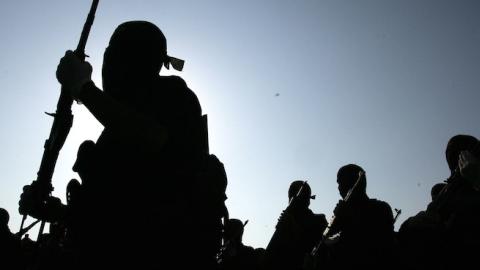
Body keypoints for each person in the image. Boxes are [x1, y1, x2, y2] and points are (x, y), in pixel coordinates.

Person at [21, 20, 218, 269]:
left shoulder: (174, 96)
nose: (106, 66)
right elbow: (112, 215)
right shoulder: (115, 129)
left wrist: (84, 89)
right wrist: (58, 212)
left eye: (114, 56)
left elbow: (152, 141)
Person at [324, 164, 394, 270]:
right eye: (338, 183)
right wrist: (334, 226)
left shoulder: (380, 208)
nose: (339, 187)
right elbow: (328, 242)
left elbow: (380, 242)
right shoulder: (340, 214)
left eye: (342, 181)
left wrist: (348, 216)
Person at [265, 181, 328, 270]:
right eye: (290, 196)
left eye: (295, 197)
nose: (291, 200)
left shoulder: (318, 220)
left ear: (308, 199)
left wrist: (292, 224)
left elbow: (314, 248)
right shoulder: (288, 218)